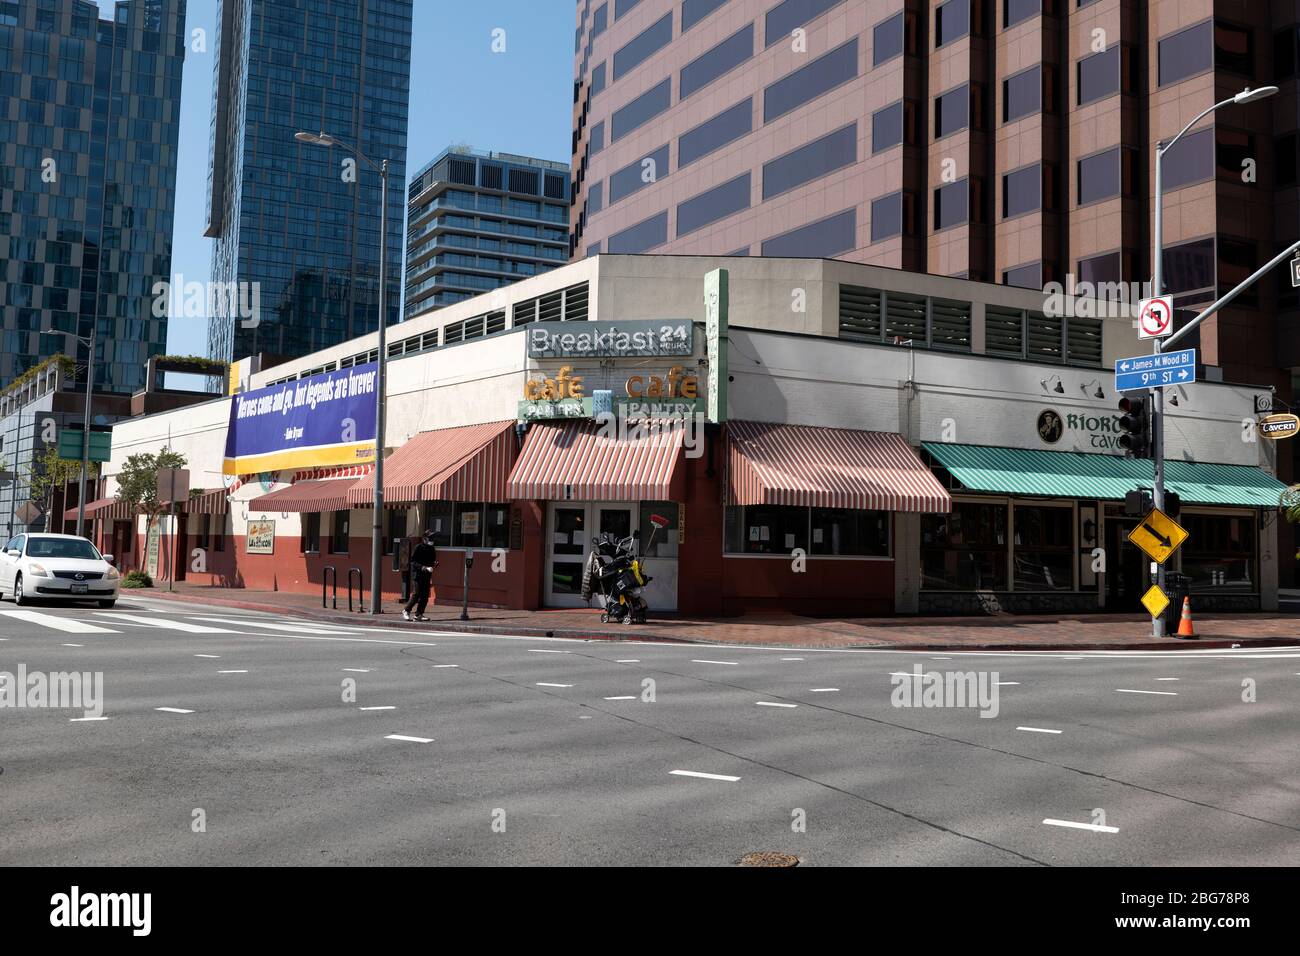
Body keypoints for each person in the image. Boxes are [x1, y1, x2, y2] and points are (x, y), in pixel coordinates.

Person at [403, 530, 439, 621]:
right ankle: (406, 610)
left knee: (425, 596)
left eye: (433, 538)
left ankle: (419, 614)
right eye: (430, 538)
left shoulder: (432, 549)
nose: (432, 540)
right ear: (424, 538)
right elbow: (412, 562)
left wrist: (434, 563)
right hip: (417, 575)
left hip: (427, 575)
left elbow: (432, 561)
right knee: (417, 594)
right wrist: (423, 567)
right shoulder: (418, 547)